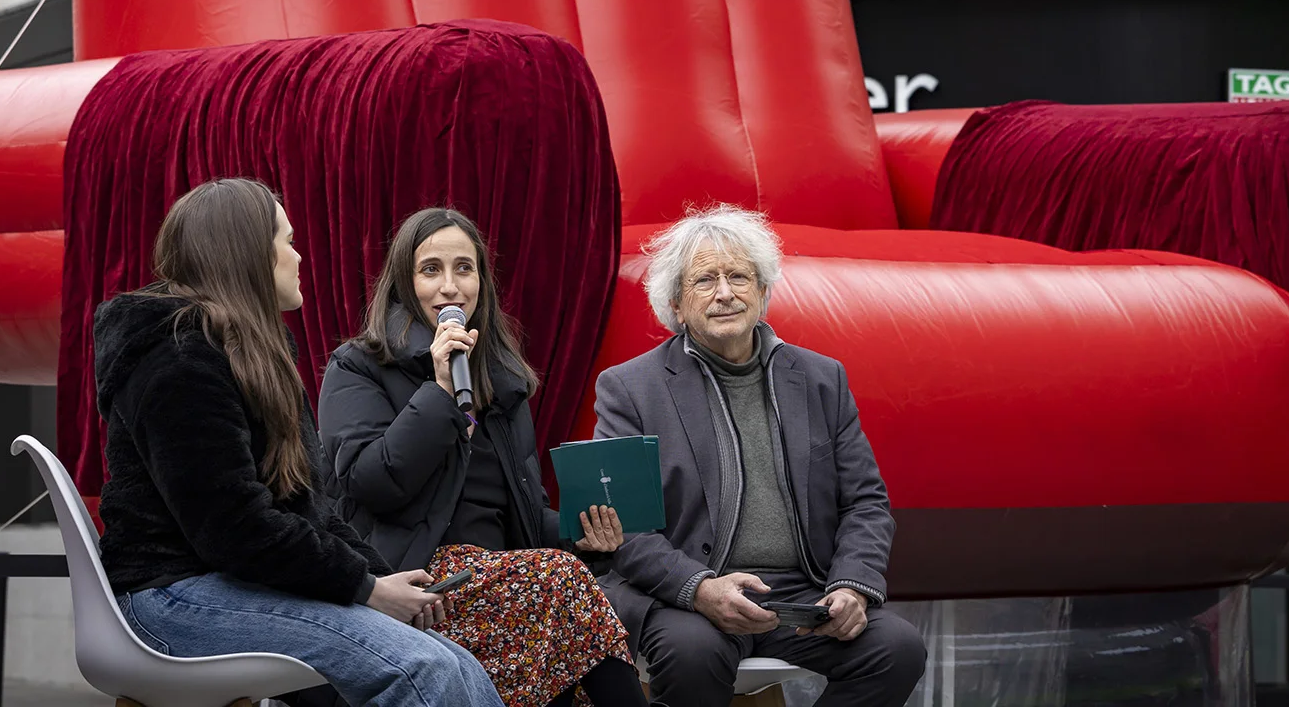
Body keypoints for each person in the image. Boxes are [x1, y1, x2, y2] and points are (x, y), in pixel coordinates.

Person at [94, 178, 504, 707]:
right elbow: (233, 527)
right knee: (420, 668)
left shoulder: (249, 352)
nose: (298, 254)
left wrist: (382, 579)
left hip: (221, 583)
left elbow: (306, 504)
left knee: (453, 660)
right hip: (168, 597)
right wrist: (366, 590)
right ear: (246, 255)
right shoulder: (178, 359)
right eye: (285, 242)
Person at [593, 205, 928, 707]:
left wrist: (853, 585)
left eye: (738, 277)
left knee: (898, 650)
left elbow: (865, 502)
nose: (725, 293)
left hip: (800, 593)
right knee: (690, 655)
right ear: (677, 305)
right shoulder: (629, 388)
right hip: (686, 594)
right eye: (705, 280)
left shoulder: (821, 379)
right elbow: (623, 526)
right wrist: (700, 588)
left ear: (763, 292)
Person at [319, 207, 645, 707]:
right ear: (404, 283)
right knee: (557, 584)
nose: (450, 286)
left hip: (507, 580)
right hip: (423, 583)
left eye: (464, 268)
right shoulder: (359, 366)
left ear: (481, 283)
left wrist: (587, 532)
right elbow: (370, 484)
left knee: (559, 588)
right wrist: (439, 391)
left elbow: (526, 518)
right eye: (431, 270)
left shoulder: (502, 382)